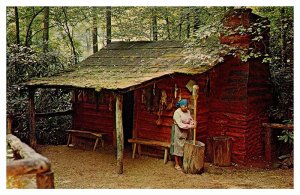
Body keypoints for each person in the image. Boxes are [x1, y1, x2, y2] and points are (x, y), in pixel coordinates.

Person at [170, 99, 195, 171]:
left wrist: (192, 123)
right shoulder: (177, 113)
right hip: (179, 130)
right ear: (181, 106)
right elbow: (180, 125)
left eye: (187, 106)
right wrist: (190, 126)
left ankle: (184, 163)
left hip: (186, 131)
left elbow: (190, 119)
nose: (186, 107)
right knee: (178, 147)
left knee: (185, 146)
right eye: (184, 106)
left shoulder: (188, 111)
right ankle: (177, 164)